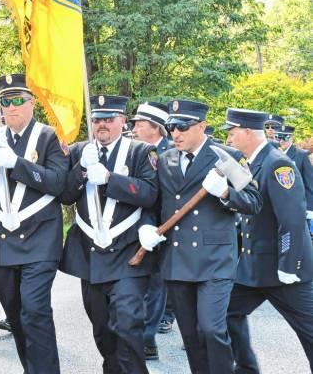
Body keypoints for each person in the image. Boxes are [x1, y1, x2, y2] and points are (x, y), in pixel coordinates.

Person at [145, 99, 262, 374]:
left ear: (202, 126)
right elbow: (154, 206)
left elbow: (253, 202)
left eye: (182, 126)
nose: (176, 133)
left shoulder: (227, 156)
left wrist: (225, 192)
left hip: (215, 259)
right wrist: (147, 227)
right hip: (177, 259)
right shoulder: (165, 159)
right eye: (171, 127)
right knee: (191, 335)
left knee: (211, 329)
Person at [60, 95, 159, 373]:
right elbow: (66, 196)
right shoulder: (80, 150)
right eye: (96, 119)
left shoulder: (141, 152)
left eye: (108, 119)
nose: (101, 124)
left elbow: (150, 194)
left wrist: (109, 179)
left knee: (127, 324)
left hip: (128, 252)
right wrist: (80, 170)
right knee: (102, 330)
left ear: (122, 121)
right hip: (90, 254)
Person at [0, 74, 68, 374]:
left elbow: (57, 183)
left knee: (35, 311)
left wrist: (18, 163)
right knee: (15, 315)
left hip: (40, 237)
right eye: (5, 101)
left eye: (18, 100)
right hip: (1, 240)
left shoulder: (49, 136)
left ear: (32, 104)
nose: (11, 107)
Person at [223, 108, 313, 373]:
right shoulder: (251, 161)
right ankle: (247, 368)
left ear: (248, 132)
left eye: (232, 132)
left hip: (285, 271)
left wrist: (289, 265)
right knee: (225, 313)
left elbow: (292, 220)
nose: (229, 139)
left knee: (309, 331)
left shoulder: (278, 163)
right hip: (254, 270)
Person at [130, 100, 174, 358]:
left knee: (157, 284)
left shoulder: (170, 152)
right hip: (137, 226)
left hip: (164, 228)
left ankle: (147, 339)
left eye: (140, 124)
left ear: (156, 128)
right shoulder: (135, 151)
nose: (135, 128)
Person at [274, 124, 313, 224]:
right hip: (275, 206)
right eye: (278, 137)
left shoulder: (301, 155)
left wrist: (309, 209)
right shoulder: (272, 154)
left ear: (292, 138)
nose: (281, 141)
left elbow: (309, 184)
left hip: (295, 206)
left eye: (285, 137)